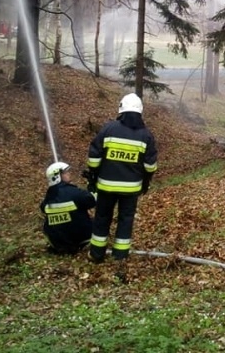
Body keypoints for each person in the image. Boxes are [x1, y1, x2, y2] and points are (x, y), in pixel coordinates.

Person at [86, 93, 158, 268]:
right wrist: (146, 181)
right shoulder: (145, 135)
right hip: (131, 189)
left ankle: (96, 255)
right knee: (126, 220)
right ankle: (120, 256)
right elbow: (150, 166)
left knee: (102, 217)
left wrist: (93, 176)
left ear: (121, 110)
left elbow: (94, 158)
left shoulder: (108, 129)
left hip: (105, 186)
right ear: (140, 112)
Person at [40, 162, 97, 255]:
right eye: (66, 172)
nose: (69, 173)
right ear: (57, 176)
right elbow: (93, 200)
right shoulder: (74, 192)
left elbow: (43, 208)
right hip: (79, 239)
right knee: (97, 221)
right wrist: (92, 184)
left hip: (57, 243)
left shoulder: (48, 197)